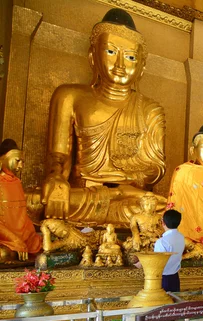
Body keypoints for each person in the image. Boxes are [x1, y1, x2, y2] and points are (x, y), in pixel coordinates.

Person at [40, 8, 166, 226]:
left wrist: (122, 180)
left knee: (164, 208)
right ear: (92, 56)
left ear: (141, 67)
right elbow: (57, 157)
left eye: (130, 57)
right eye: (110, 52)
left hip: (129, 195)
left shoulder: (150, 109)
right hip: (83, 194)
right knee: (34, 201)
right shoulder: (69, 95)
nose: (120, 65)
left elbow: (156, 169)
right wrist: (56, 178)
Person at [0, 139, 42, 261]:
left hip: (22, 238)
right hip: (5, 240)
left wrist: (29, 237)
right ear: (3, 160)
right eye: (17, 161)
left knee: (44, 245)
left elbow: (22, 216)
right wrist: (15, 240)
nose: (21, 166)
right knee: (4, 255)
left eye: (22, 162)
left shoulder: (17, 183)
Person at [153, 209, 185, 292]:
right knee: (174, 302)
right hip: (175, 277)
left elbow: (157, 263)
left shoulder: (162, 242)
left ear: (162, 223)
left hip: (163, 278)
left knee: (163, 304)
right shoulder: (181, 237)